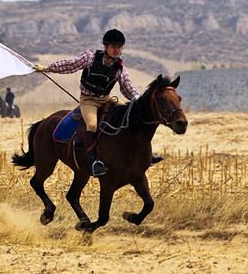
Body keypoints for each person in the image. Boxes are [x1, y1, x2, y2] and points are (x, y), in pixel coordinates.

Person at [34, 29, 163, 177]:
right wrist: (47, 68)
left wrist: (140, 101)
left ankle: (145, 154)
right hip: (89, 100)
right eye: (114, 46)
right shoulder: (90, 57)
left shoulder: (120, 68)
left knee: (132, 117)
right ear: (106, 46)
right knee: (92, 125)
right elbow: (70, 65)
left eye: (120, 47)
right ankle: (94, 160)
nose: (117, 50)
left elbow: (127, 88)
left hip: (106, 99)